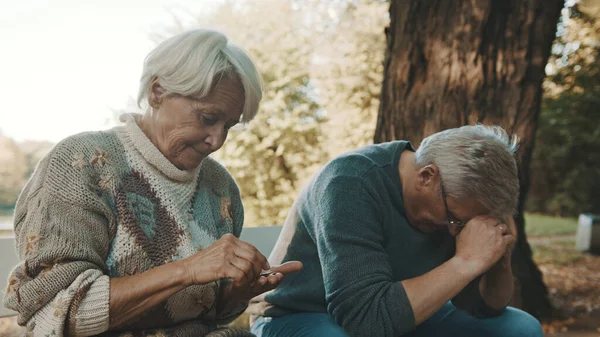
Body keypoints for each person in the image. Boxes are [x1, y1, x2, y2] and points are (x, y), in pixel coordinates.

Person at [3, 29, 302, 337]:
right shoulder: (83, 164)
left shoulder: (219, 187)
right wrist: (186, 271)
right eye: (208, 118)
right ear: (157, 92)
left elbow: (209, 315)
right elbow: (56, 313)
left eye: (229, 125)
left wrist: (238, 291)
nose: (217, 141)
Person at [248, 125, 544, 337]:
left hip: (398, 313)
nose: (456, 231)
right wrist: (465, 261)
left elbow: (483, 308)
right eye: (453, 218)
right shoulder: (350, 183)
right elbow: (366, 321)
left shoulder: (458, 204)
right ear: (427, 176)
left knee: (521, 328)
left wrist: (496, 262)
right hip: (296, 316)